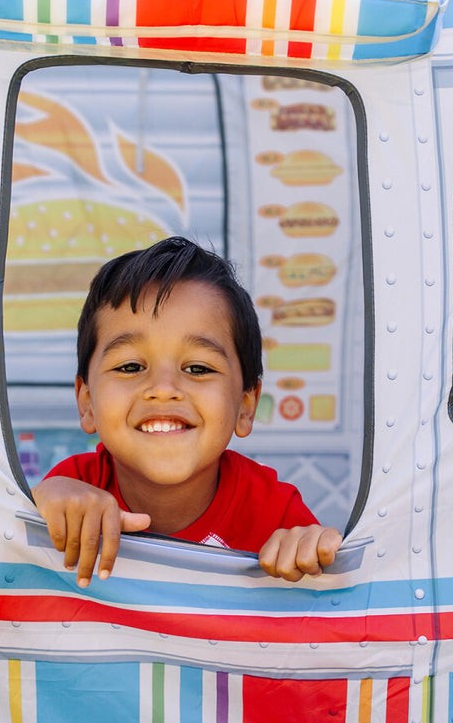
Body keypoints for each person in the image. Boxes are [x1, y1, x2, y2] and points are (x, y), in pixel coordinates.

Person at [33, 237, 343, 585]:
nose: (164, 388)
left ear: (246, 405)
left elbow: (319, 586)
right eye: (131, 367)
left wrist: (310, 549)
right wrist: (43, 500)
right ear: (86, 402)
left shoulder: (275, 512)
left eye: (198, 368)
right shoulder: (74, 487)